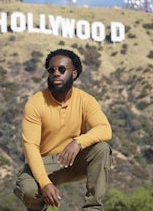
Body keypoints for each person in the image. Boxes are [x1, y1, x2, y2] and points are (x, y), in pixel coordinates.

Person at [14, 48, 112, 211]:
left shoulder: (85, 100)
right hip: (45, 162)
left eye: (61, 69)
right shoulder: (35, 103)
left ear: (74, 73)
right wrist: (45, 184)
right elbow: (30, 147)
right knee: (28, 191)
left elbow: (105, 130)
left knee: (102, 148)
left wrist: (78, 142)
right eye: (51, 70)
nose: (56, 73)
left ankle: (93, 208)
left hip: (74, 159)